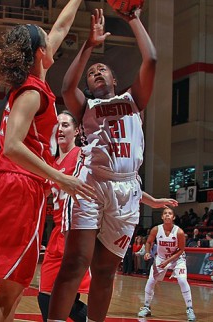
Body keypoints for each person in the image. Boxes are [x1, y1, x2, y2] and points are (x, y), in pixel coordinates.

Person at [0, 1, 95, 320]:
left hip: (1, 184)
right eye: (47, 40)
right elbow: (13, 145)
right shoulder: (32, 92)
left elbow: (60, 28)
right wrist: (60, 178)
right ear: (40, 52)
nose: (53, 39)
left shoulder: (29, 81)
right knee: (11, 289)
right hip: (18, 187)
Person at [48, 7, 157, 321]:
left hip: (127, 189)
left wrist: (133, 18)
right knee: (75, 263)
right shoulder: (87, 106)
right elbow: (67, 88)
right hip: (92, 183)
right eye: (91, 72)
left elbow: (151, 60)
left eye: (101, 69)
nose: (95, 72)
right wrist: (89, 46)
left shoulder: (134, 100)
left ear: (114, 79)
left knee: (106, 271)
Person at [37, 111, 90, 322]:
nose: (60, 129)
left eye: (66, 125)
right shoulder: (50, 163)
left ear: (76, 131)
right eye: (57, 125)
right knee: (45, 297)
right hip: (56, 235)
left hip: (75, 233)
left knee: (63, 300)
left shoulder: (82, 155)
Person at [138, 207, 196, 321]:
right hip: (161, 258)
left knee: (182, 280)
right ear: (162, 217)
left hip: (177, 259)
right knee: (151, 281)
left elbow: (181, 250)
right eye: (165, 213)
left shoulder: (179, 232)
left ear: (173, 217)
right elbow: (149, 242)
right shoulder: (156, 229)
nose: (167, 215)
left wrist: (168, 261)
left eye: (170, 213)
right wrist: (147, 253)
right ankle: (146, 307)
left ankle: (190, 309)